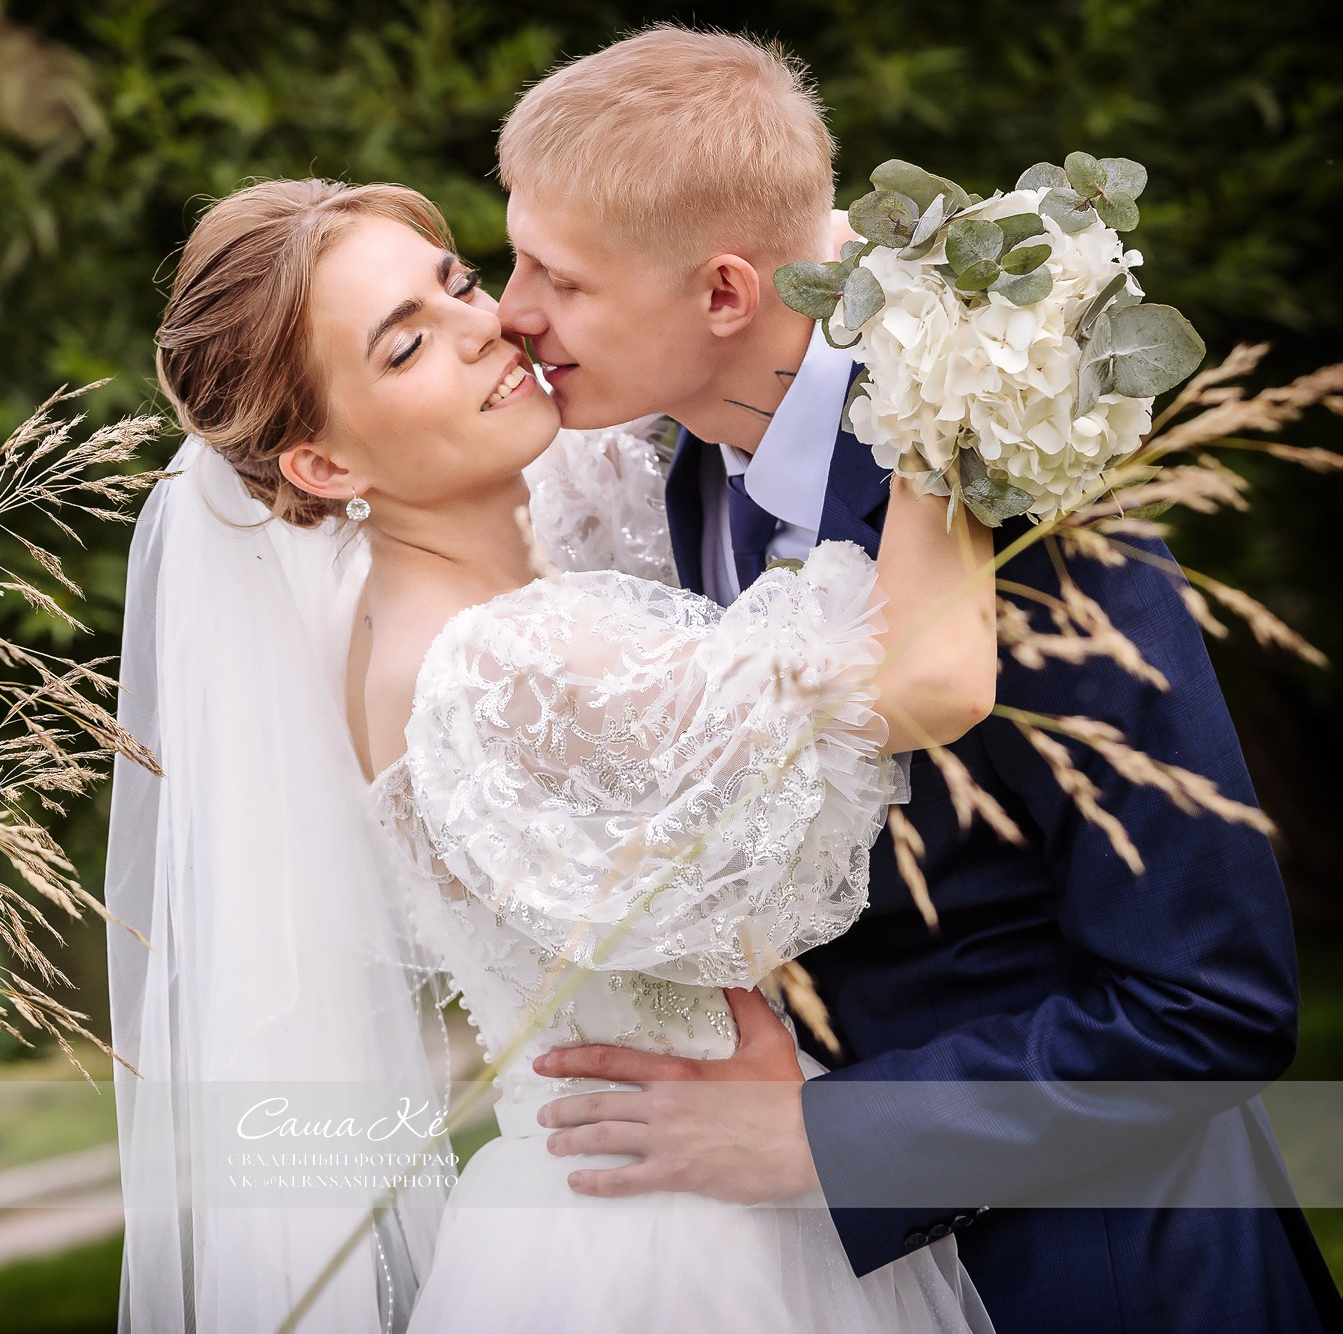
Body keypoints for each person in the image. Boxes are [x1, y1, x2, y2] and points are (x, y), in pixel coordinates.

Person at [490, 24, 1343, 1334]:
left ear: (723, 294)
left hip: (1107, 1275)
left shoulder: (1009, 471)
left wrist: (823, 1142)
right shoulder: (674, 467)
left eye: (557, 275)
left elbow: (1207, 1000)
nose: (511, 310)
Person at [107, 173, 999, 1331]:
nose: (489, 329)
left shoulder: (430, 581)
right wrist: (956, 361)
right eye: (404, 347)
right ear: (324, 468)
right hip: (679, 1244)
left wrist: (790, 239)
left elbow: (659, 338)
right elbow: (916, 672)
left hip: (628, 1195)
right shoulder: (498, 666)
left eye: (458, 282)